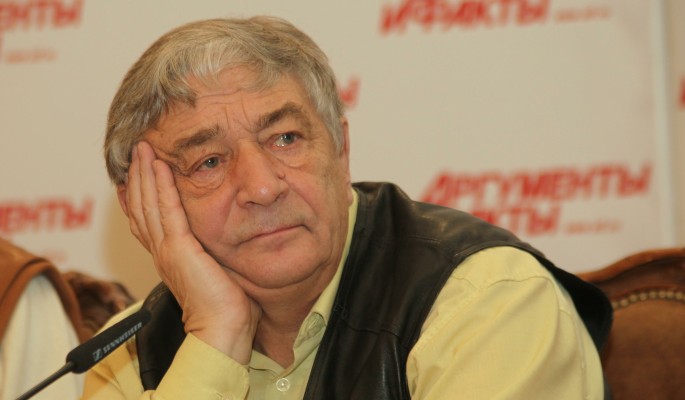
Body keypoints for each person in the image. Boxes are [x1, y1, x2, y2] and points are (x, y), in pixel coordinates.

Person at [82, 16, 612, 399]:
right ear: (144, 205)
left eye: (286, 138)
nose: (262, 188)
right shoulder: (129, 355)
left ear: (340, 149)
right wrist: (214, 337)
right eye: (209, 162)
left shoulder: (487, 299)